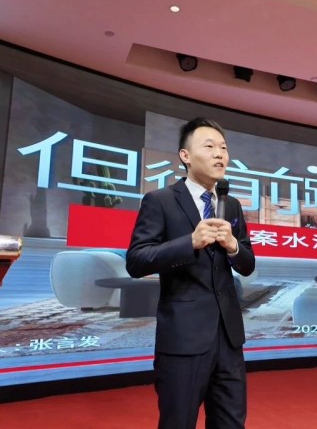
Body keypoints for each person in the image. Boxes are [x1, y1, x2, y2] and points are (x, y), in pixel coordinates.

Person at [126, 117, 255, 429]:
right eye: (209, 147)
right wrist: (189, 243)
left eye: (223, 148)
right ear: (185, 156)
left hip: (229, 339)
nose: (219, 154)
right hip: (183, 339)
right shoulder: (160, 200)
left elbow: (247, 264)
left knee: (231, 423)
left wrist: (233, 246)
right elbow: (137, 261)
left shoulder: (231, 205)